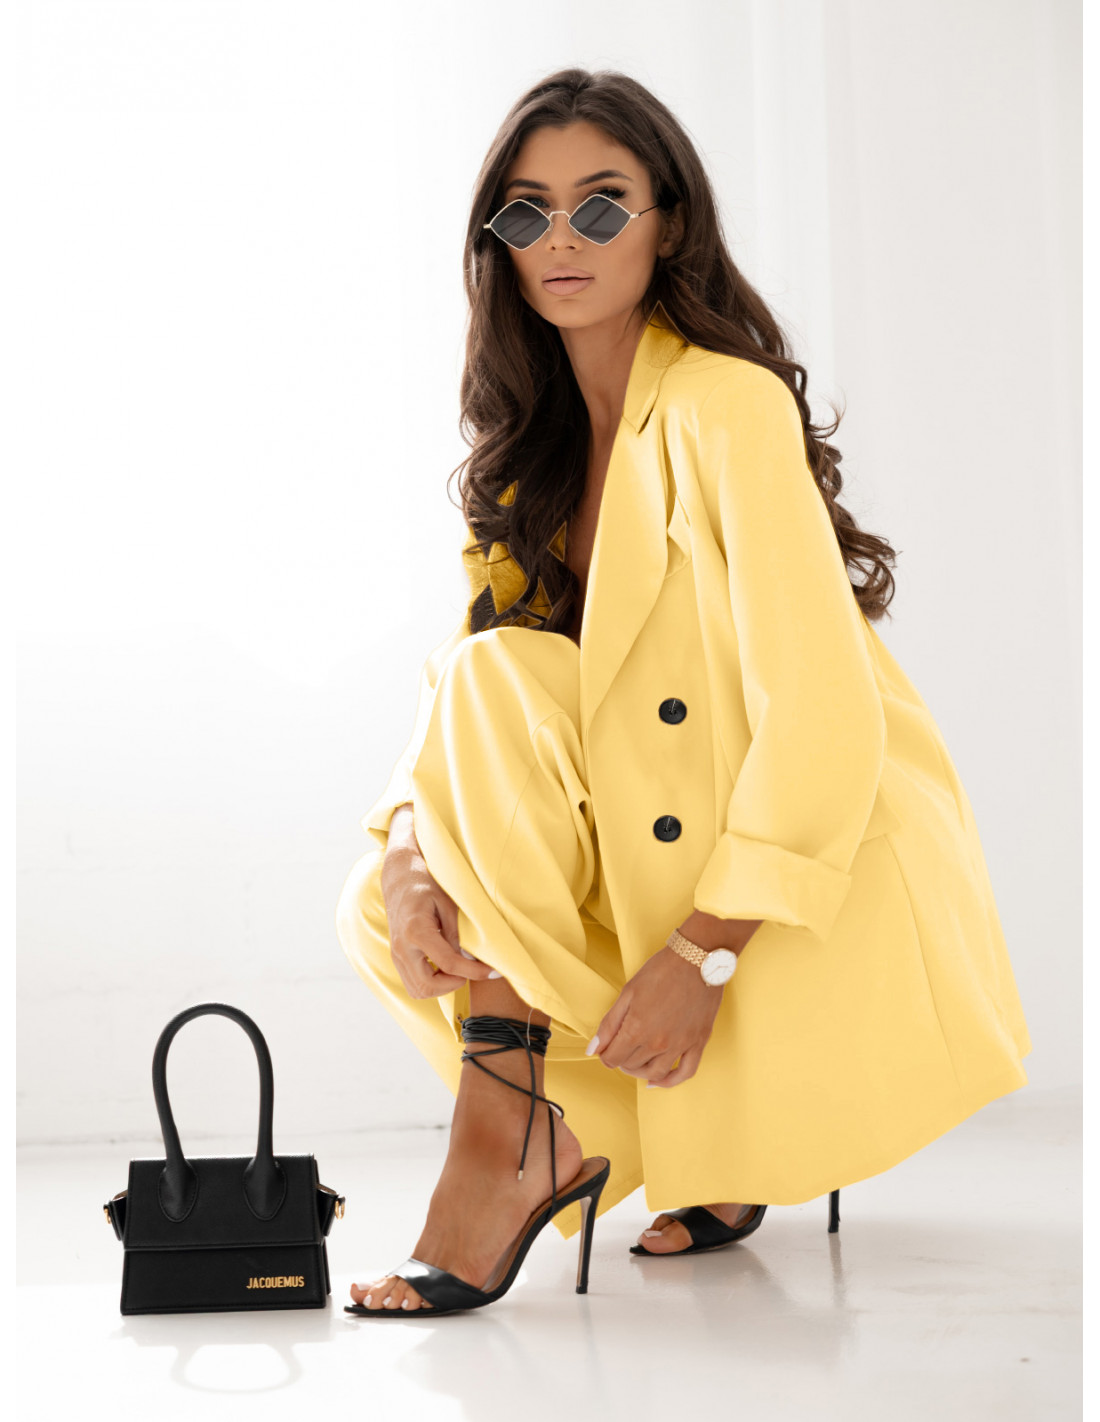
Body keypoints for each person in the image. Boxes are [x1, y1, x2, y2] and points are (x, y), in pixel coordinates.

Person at [334, 68, 1032, 1318]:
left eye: (600, 207)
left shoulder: (725, 405)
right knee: (415, 839)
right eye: (526, 212)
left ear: (667, 226)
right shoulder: (534, 445)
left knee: (493, 701)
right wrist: (406, 845)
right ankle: (587, 1129)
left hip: (795, 851)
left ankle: (505, 1142)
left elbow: (821, 708)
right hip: (647, 826)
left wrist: (702, 956)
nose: (560, 240)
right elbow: (471, 682)